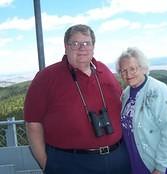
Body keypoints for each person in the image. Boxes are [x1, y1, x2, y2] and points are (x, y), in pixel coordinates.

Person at [24, 24, 131, 174]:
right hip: (71, 163)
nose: (82, 48)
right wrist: (47, 165)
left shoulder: (104, 70)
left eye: (87, 43)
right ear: (65, 47)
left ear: (93, 46)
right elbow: (33, 124)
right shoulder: (46, 78)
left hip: (118, 159)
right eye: (75, 43)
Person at [116, 47, 167, 174]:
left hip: (156, 163)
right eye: (123, 71)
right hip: (135, 161)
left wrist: (160, 168)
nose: (128, 74)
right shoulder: (126, 94)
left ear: (143, 68)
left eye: (132, 69)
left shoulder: (158, 91)